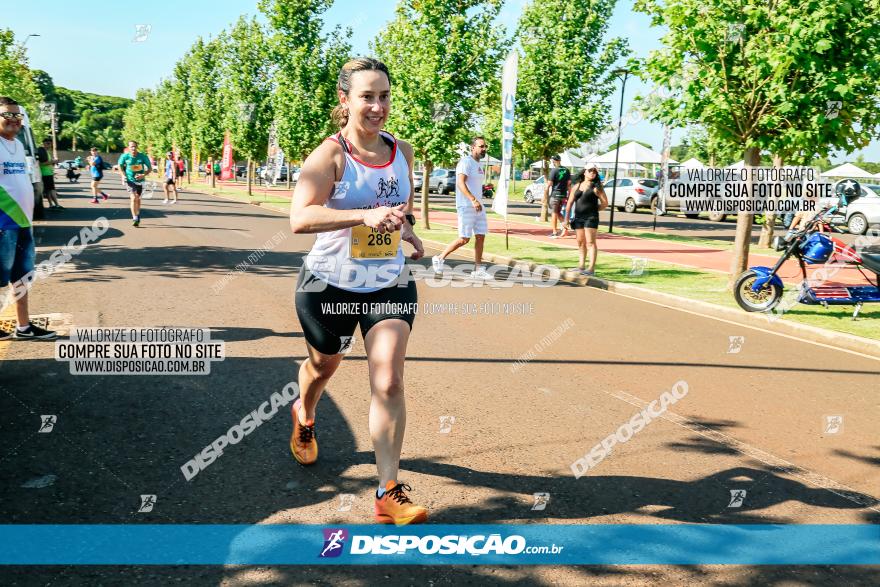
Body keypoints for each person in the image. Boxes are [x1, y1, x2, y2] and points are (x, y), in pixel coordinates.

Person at [289, 57, 429, 526]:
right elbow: (300, 218)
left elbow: (399, 206)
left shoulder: (401, 150)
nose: (377, 106)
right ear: (345, 101)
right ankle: (305, 412)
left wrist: (404, 230)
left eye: (384, 95)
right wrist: (360, 216)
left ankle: (388, 490)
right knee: (324, 363)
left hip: (387, 281)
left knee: (388, 379)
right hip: (327, 284)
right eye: (367, 96)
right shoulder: (329, 156)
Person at [0, 97, 57, 340]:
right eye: (7, 115)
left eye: (17, 116)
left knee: (22, 278)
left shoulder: (19, 146)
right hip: (3, 224)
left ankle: (23, 327)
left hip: (23, 223)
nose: (13, 120)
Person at [431, 137, 491, 279]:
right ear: (473, 148)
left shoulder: (479, 165)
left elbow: (474, 184)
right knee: (464, 238)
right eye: (481, 146)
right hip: (467, 205)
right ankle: (439, 258)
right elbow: (460, 183)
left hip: (478, 206)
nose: (484, 149)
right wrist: (473, 199)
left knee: (481, 236)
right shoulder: (466, 162)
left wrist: (484, 190)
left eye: (485, 146)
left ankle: (478, 270)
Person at [564, 166, 608, 276]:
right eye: (590, 171)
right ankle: (581, 266)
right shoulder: (577, 186)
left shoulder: (597, 187)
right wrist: (566, 219)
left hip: (591, 218)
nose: (592, 173)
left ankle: (591, 269)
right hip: (578, 218)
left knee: (590, 243)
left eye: (594, 172)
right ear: (585, 172)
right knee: (580, 242)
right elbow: (569, 203)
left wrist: (594, 209)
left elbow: (605, 203)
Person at [117, 140, 152, 227]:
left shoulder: (142, 157)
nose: (133, 148)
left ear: (137, 147)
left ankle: (138, 213)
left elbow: (150, 168)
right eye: (131, 146)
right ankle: (135, 218)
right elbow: (120, 166)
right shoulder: (124, 156)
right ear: (128, 148)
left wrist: (143, 174)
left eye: (134, 146)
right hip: (130, 180)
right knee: (133, 198)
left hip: (140, 181)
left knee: (138, 198)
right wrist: (123, 175)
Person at [546, 154, 571, 238]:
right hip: (563, 195)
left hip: (555, 194)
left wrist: (545, 194)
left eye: (553, 161)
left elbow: (549, 184)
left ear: (554, 161)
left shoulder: (554, 170)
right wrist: (569, 195)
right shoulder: (567, 170)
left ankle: (554, 232)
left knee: (554, 213)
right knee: (557, 212)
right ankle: (566, 227)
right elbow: (569, 184)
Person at [35, 138, 62, 209]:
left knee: (48, 190)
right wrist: (53, 162)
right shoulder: (41, 151)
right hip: (45, 174)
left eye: (50, 143)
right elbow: (40, 163)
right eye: (47, 143)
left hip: (48, 173)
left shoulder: (46, 152)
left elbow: (48, 163)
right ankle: (56, 204)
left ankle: (51, 205)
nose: (49, 145)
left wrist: (54, 162)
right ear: (43, 143)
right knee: (52, 190)